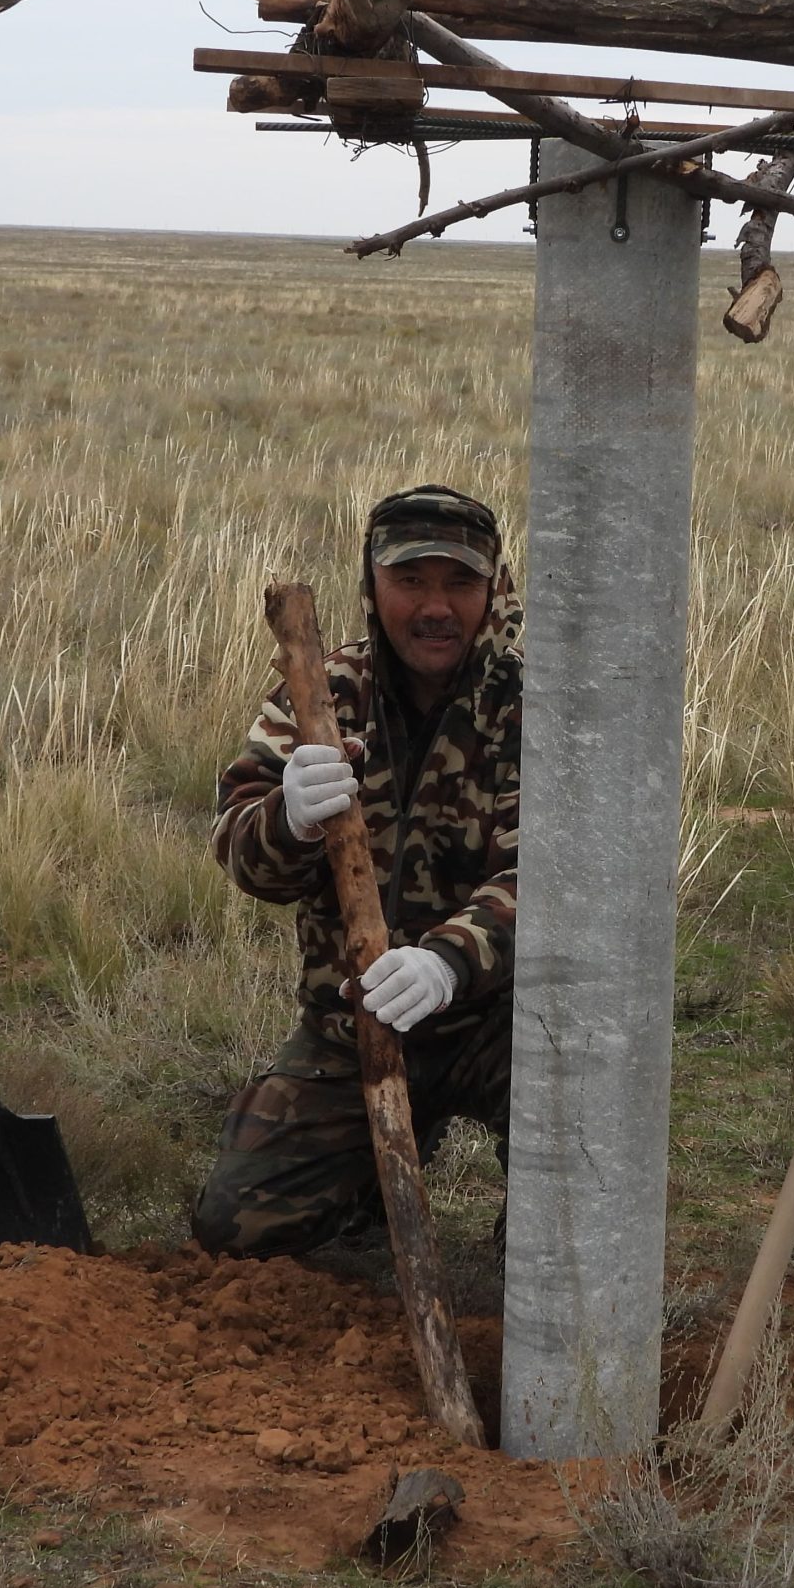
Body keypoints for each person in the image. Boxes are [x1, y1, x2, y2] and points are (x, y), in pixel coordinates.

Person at [194, 484, 520, 1257]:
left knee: (565, 1236)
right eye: (411, 582)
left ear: (494, 587)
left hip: (500, 1025)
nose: (435, 606)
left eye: (460, 583)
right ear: (372, 586)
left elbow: (549, 876)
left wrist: (448, 962)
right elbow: (241, 852)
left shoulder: (527, 702)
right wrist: (288, 818)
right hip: (355, 1021)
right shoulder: (321, 696)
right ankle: (367, 1184)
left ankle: (532, 1240)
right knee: (233, 1227)